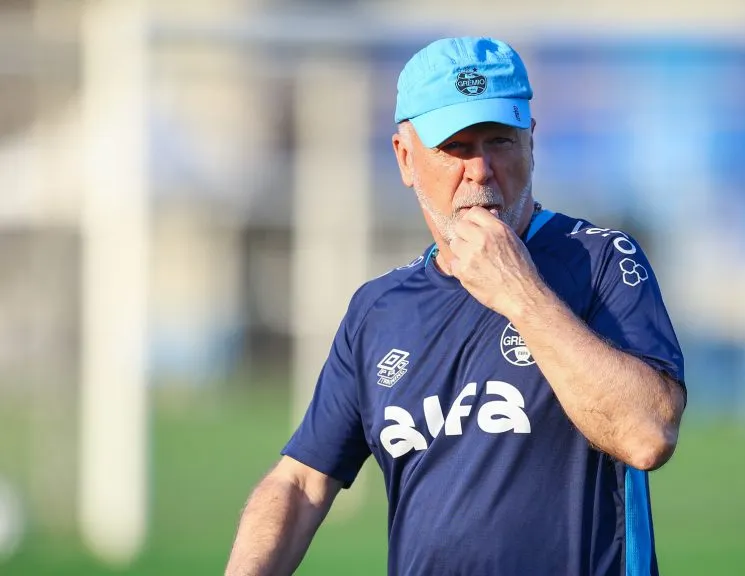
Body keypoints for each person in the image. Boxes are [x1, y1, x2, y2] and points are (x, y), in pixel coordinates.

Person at [225, 36, 687, 576]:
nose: (482, 170)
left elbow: (648, 434)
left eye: (500, 141)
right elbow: (301, 482)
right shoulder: (379, 310)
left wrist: (521, 291)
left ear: (531, 143)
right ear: (405, 157)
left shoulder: (600, 262)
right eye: (456, 147)